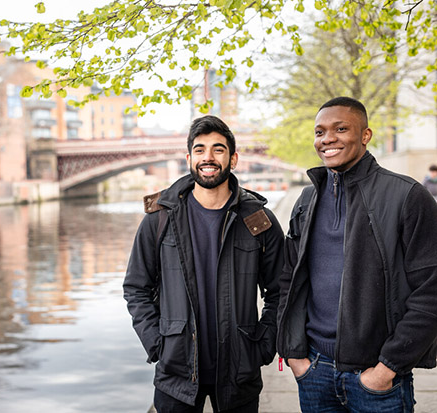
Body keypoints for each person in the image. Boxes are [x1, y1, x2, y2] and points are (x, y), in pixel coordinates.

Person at [277, 96, 437, 412]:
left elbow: (431, 290)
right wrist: (294, 355)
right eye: (319, 132)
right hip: (315, 370)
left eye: (340, 129)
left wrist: (387, 368)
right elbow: (289, 278)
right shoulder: (306, 200)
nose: (327, 139)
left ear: (365, 135)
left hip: (376, 377)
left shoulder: (407, 195)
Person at [123, 115, 284, 412]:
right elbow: (136, 288)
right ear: (188, 158)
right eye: (199, 150)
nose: (207, 157)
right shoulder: (159, 218)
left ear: (233, 158)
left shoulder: (258, 221)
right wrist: (157, 343)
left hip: (239, 373)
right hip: (176, 374)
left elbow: (281, 290)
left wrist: (263, 345)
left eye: (218, 149)